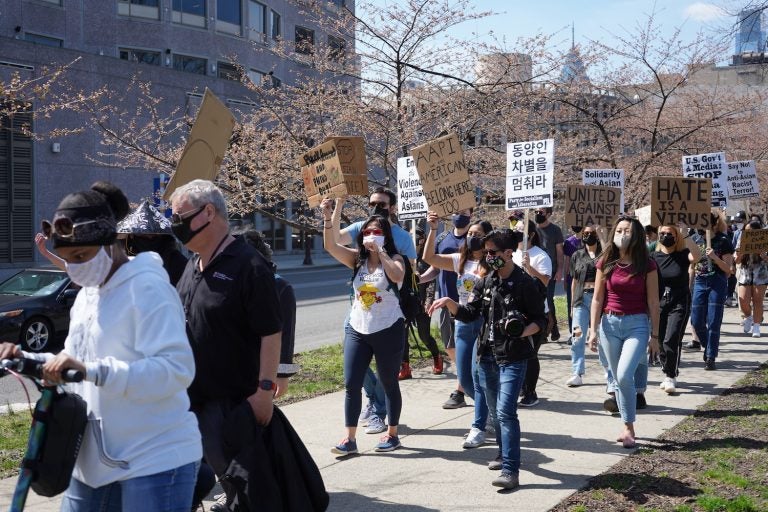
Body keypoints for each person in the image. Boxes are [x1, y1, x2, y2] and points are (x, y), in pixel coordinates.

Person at [0, 181, 201, 511]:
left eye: (81, 255)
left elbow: (176, 370)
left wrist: (94, 371)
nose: (75, 268)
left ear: (111, 243)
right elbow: (73, 361)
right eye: (67, 258)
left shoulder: (147, 289)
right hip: (92, 461)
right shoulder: (86, 297)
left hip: (154, 458)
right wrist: (23, 356)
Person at [170, 180, 282, 512]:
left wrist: (265, 391)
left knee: (244, 490)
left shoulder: (249, 266)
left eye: (180, 216)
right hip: (193, 401)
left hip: (233, 405)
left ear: (208, 212)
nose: (175, 224)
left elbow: (271, 334)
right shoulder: (193, 263)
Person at [429, 229, 547, 490]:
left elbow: (541, 320)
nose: (488, 256)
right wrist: (450, 303)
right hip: (486, 357)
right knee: (496, 412)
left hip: (513, 357)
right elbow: (470, 313)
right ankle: (503, 454)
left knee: (506, 413)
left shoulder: (525, 283)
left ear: (509, 253)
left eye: (493, 252)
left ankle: (510, 470)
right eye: (486, 252)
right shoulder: (487, 281)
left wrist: (523, 332)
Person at [322, 204, 406, 456]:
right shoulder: (355, 260)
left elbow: (397, 273)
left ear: (385, 236)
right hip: (358, 328)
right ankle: (349, 439)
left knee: (389, 382)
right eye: (368, 232)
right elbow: (330, 246)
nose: (371, 235)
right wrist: (328, 218)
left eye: (377, 231)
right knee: (351, 383)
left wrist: (381, 252)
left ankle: (392, 434)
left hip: (389, 328)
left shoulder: (395, 258)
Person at [589, 216, 660, 449]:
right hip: (609, 325)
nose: (621, 234)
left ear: (636, 234)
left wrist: (655, 337)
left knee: (623, 375)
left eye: (626, 230)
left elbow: (653, 302)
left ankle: (630, 426)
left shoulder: (647, 265)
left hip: (637, 325)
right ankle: (625, 424)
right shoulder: (606, 261)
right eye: (618, 230)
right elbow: (597, 299)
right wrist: (592, 330)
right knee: (616, 378)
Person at [422, 211, 492, 447]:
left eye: (478, 235)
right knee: (464, 378)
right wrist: (433, 229)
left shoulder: (492, 263)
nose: (472, 237)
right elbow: (430, 257)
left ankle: (478, 426)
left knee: (478, 376)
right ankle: (491, 408)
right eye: (470, 234)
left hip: (483, 324)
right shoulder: (458, 259)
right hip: (462, 322)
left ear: (487, 238)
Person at [235, 228, 299, 394]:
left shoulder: (279, 286)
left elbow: (285, 334)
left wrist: (282, 375)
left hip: (261, 370)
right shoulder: (229, 281)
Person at [422, 207, 474, 408]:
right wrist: (419, 279)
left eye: (463, 211)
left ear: (471, 212)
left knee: (468, 347)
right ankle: (466, 383)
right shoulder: (443, 237)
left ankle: (461, 390)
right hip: (446, 300)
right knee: (450, 346)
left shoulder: (474, 238)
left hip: (468, 303)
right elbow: (435, 266)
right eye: (455, 210)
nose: (458, 214)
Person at [652, 224, 700, 394]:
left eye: (669, 233)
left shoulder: (682, 254)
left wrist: (686, 235)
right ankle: (666, 369)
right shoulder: (654, 256)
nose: (665, 236)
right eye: (662, 233)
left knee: (671, 338)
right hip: (659, 303)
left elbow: (697, 256)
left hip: (679, 301)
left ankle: (671, 375)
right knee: (660, 340)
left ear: (676, 235)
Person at [513, 220, 552, 407]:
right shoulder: (510, 253)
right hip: (513, 312)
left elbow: (544, 281)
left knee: (529, 353)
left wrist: (529, 267)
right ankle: (519, 388)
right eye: (516, 229)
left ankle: (530, 391)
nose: (517, 232)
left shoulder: (541, 256)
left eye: (521, 230)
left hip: (535, 313)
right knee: (515, 353)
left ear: (531, 234)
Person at [690, 212, 735, 371]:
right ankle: (708, 345)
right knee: (696, 320)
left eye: (703, 223)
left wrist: (715, 257)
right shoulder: (695, 239)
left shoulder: (724, 241)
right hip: (700, 281)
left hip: (717, 281)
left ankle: (710, 356)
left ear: (713, 224)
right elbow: (691, 260)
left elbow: (728, 270)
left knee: (714, 321)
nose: (699, 226)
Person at [398, 227, 443, 380]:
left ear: (422, 239)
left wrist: (429, 300)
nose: (413, 239)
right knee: (402, 335)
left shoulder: (426, 257)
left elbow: (431, 280)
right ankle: (405, 367)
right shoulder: (402, 256)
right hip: (406, 302)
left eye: (415, 236)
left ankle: (437, 356)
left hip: (422, 302)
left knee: (424, 335)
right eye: (409, 236)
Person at [117, 200, 188, 286]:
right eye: (143, 234)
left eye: (153, 234)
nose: (149, 237)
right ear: (132, 235)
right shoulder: (123, 257)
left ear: (160, 234)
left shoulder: (175, 260)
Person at [567, 225, 602, 387]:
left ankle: (609, 370)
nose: (588, 236)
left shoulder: (605, 253)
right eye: (586, 233)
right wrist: (573, 305)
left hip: (600, 300)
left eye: (592, 233)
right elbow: (574, 281)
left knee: (603, 337)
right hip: (581, 300)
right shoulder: (577, 255)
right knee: (577, 336)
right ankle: (577, 372)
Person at [534, 207, 564, 342]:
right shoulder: (532, 230)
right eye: (536, 212)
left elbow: (559, 252)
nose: (537, 214)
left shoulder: (555, 230)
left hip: (550, 272)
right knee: (537, 300)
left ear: (549, 214)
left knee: (549, 300)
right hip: (534, 271)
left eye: (541, 212)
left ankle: (552, 328)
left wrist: (559, 270)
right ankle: (546, 329)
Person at [735, 220, 768, 338]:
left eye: (750, 231)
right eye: (746, 230)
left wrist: (764, 256)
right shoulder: (741, 240)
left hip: (760, 273)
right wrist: (741, 254)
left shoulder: (764, 240)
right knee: (743, 300)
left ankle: (757, 326)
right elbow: (736, 260)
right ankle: (748, 317)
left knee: (758, 300)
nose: (748, 233)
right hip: (745, 272)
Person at [563, 225, 583, 341]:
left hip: (587, 278)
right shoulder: (569, 242)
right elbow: (567, 261)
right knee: (572, 305)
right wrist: (565, 278)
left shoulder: (588, 239)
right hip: (573, 278)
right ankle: (573, 332)